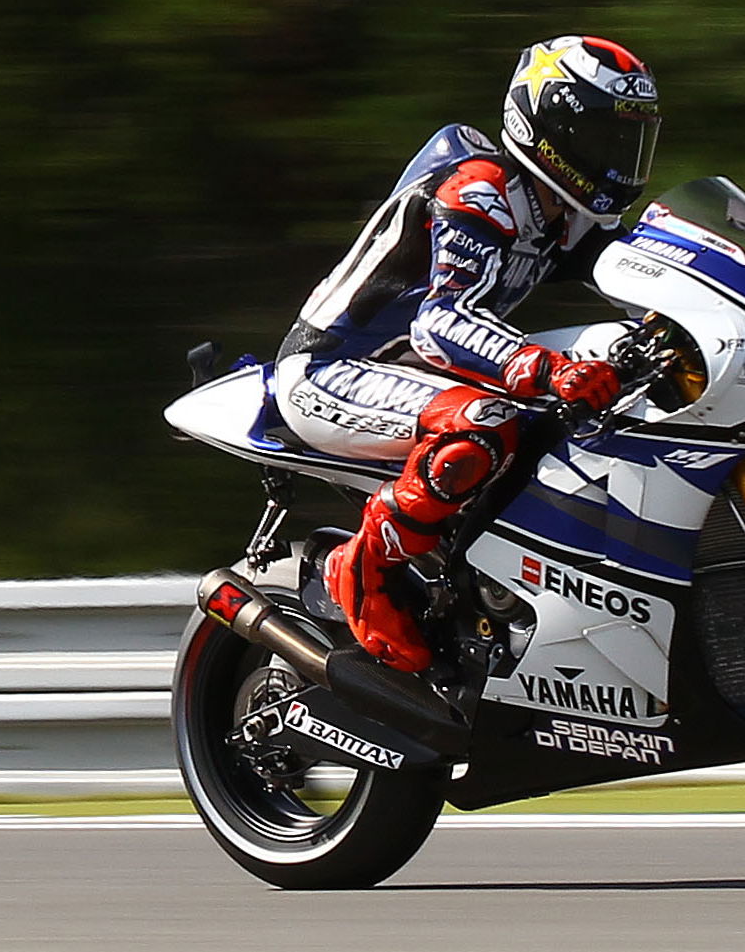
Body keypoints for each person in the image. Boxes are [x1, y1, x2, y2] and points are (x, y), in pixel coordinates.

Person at [277, 36, 663, 674]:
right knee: (485, 425)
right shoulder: (479, 189)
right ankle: (360, 573)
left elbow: (641, 283)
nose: (619, 160)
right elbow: (441, 322)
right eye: (602, 138)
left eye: (632, 141)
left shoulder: (570, 216)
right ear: (550, 127)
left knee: (607, 382)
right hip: (333, 368)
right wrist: (551, 370)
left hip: (420, 376)